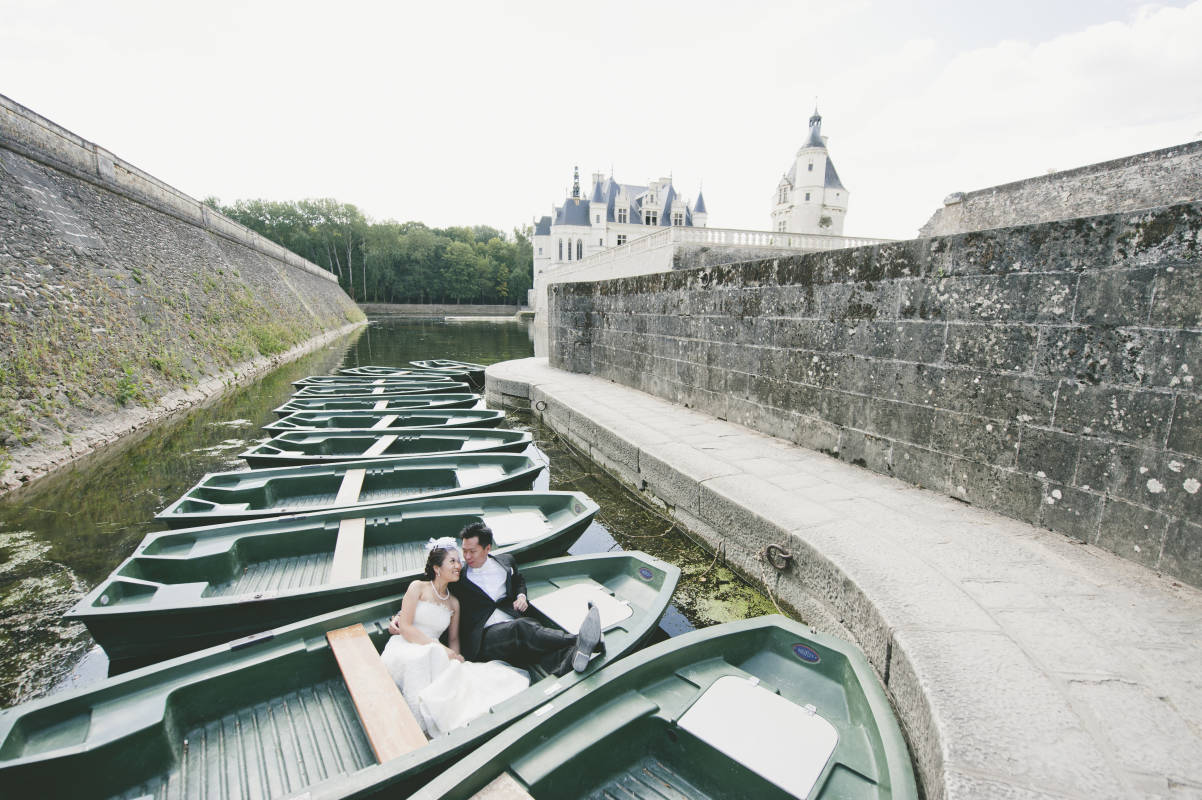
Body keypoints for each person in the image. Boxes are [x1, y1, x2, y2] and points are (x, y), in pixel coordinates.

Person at [381, 538, 528, 737]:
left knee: (458, 675)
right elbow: (405, 627)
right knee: (422, 657)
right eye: (452, 561)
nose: (459, 566)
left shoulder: (453, 602)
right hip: (406, 644)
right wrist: (439, 648)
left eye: (459, 561)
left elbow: (453, 640)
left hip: (433, 651)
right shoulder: (418, 587)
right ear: (436, 568)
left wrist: (456, 658)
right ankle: (418, 727)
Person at [454, 521, 602, 675]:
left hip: (513, 622)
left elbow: (518, 580)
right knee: (522, 628)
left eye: (472, 551)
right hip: (484, 639)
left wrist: (521, 596)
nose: (467, 556)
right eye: (464, 551)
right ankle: (579, 639)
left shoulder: (505, 562)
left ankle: (572, 660)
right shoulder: (459, 577)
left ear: (487, 549)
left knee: (534, 638)